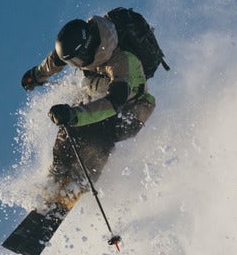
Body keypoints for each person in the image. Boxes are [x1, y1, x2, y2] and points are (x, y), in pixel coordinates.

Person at [20, 14, 155, 211]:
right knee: (72, 122)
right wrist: (36, 75)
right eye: (72, 62)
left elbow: (113, 103)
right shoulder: (86, 48)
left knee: (98, 128)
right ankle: (59, 171)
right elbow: (57, 59)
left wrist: (75, 115)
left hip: (131, 112)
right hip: (102, 96)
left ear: (86, 48)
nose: (77, 65)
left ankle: (83, 177)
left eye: (77, 60)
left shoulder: (121, 62)